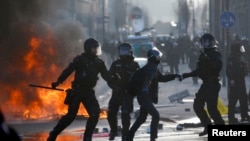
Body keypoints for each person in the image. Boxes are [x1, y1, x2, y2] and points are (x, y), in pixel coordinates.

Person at [47, 38, 116, 141]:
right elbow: (68, 70)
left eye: (97, 48)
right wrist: (58, 82)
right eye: (94, 48)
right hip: (77, 91)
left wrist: (115, 80)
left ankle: (87, 137)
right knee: (70, 117)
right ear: (88, 49)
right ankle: (53, 134)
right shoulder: (80, 60)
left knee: (95, 113)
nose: (96, 51)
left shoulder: (99, 63)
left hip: (89, 92)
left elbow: (106, 76)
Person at [126, 47, 182, 141]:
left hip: (145, 97)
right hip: (144, 96)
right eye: (157, 57)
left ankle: (129, 136)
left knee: (142, 118)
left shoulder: (153, 68)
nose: (159, 59)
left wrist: (174, 76)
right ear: (153, 58)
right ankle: (153, 138)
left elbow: (162, 78)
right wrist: (143, 90)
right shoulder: (149, 68)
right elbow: (145, 81)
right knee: (156, 115)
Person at [181, 33, 225, 136]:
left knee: (212, 108)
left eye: (208, 42)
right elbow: (199, 71)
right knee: (197, 105)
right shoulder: (202, 54)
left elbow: (217, 68)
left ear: (212, 42)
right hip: (205, 84)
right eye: (204, 42)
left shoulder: (216, 54)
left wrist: (209, 60)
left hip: (213, 83)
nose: (206, 44)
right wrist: (186, 75)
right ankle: (208, 126)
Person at [107, 43, 140, 141]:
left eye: (125, 50)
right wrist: (114, 86)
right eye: (122, 50)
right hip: (116, 93)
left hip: (128, 93)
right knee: (111, 113)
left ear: (130, 51)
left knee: (125, 114)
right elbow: (109, 78)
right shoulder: (115, 64)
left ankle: (125, 134)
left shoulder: (134, 65)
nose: (123, 53)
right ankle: (113, 130)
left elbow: (138, 79)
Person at [226, 43, 250, 124]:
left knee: (243, 99)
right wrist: (232, 79)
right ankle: (231, 117)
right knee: (233, 101)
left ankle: (244, 115)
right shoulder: (231, 59)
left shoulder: (240, 58)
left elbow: (244, 70)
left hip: (241, 81)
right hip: (235, 83)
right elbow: (229, 71)